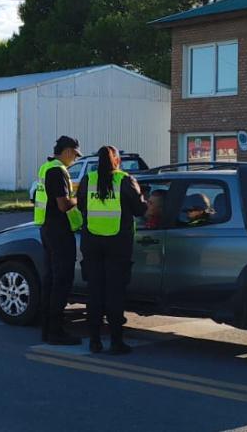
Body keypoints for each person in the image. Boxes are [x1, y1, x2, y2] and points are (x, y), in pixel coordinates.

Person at [77, 145, 148, 354]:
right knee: (115, 293)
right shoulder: (124, 180)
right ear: (117, 161)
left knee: (95, 292)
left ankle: (94, 341)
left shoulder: (88, 180)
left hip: (91, 241)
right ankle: (116, 341)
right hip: (118, 243)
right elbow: (139, 209)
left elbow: (81, 205)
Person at [34, 135, 84, 345]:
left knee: (50, 280)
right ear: (67, 151)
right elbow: (63, 205)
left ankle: (48, 329)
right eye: (74, 154)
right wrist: (79, 198)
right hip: (58, 231)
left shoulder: (46, 168)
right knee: (61, 282)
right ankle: (55, 331)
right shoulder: (57, 170)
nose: (74, 159)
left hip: (47, 228)